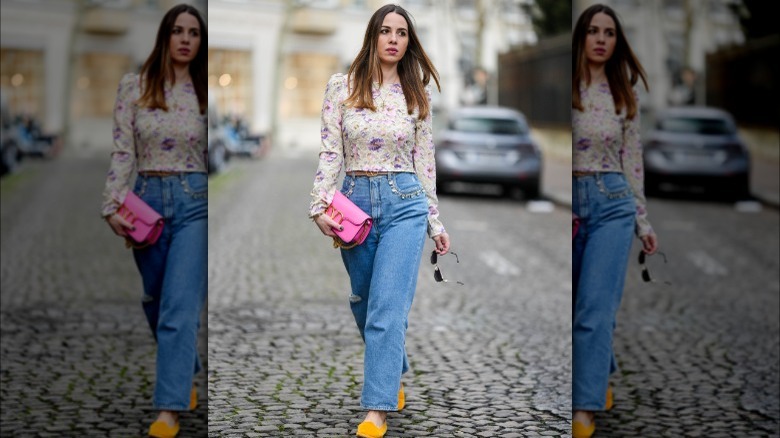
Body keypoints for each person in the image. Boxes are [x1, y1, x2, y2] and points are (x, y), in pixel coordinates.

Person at [308, 4, 450, 438]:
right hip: (354, 206)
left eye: (401, 33)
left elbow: (425, 162)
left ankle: (377, 409)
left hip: (405, 203)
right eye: (386, 31)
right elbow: (331, 150)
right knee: (364, 301)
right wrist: (319, 204)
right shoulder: (342, 86)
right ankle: (393, 367)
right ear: (373, 36)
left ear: (409, 42)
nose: (393, 39)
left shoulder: (416, 93)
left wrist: (435, 222)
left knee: (387, 309)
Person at [101, 4, 207, 437]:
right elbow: (123, 150)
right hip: (145, 204)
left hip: (195, 203)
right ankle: (184, 369)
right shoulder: (135, 86)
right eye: (178, 31)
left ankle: (169, 409)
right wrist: (112, 203)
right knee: (155, 300)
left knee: (179, 306)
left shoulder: (205, 90)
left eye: (194, 33)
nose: (186, 39)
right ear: (165, 36)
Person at [571, 4, 659, 438]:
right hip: (572, 201)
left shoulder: (624, 95)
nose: (601, 39)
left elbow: (633, 161)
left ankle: (584, 406)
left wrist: (643, 222)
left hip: (613, 205)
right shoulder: (568, 88)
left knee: (595, 308)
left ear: (616, 41)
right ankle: (598, 373)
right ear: (581, 38)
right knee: (576, 306)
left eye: (609, 33)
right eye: (593, 31)